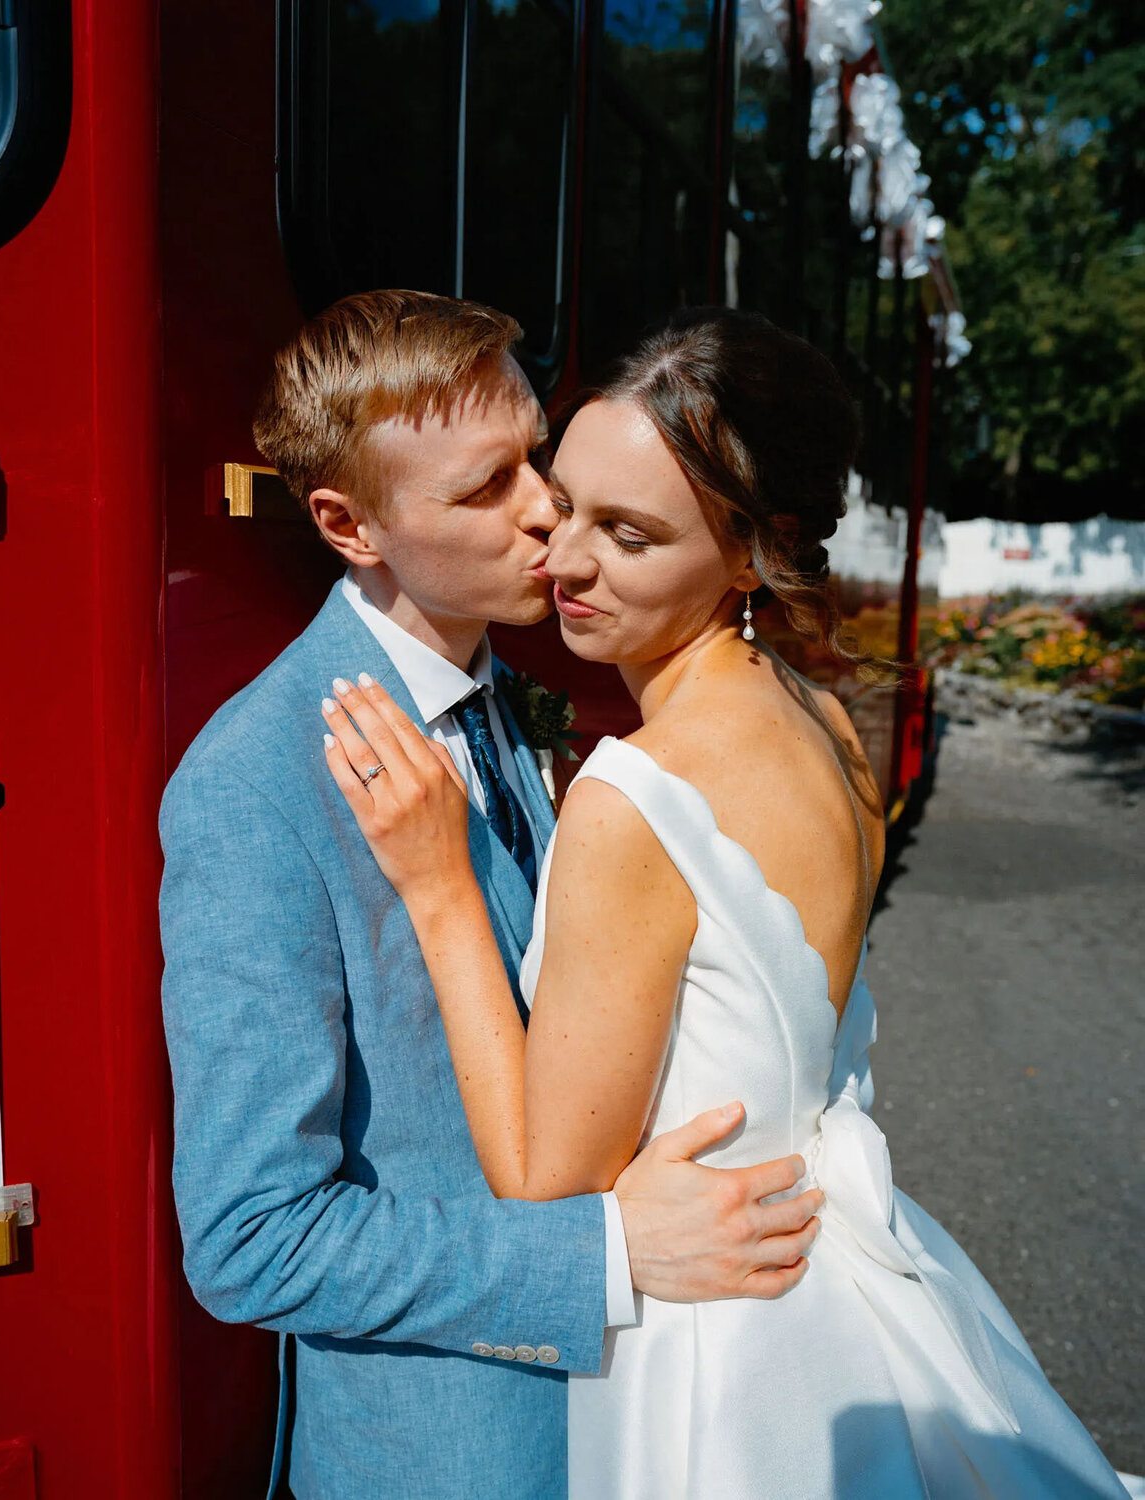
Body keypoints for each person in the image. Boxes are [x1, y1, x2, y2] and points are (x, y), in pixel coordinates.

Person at [321, 306, 1133, 1498]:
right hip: (847, 1285)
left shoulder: (631, 806)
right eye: (568, 501)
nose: (564, 558)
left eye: (632, 535)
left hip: (713, 1346)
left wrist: (444, 891)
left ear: (755, 552)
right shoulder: (823, 724)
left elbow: (547, 1181)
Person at [158, 291, 825, 1500]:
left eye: (536, 456)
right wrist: (608, 1251)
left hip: (648, 1425)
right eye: (484, 489)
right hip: (447, 1458)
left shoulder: (515, 684)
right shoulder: (253, 785)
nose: (545, 518)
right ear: (348, 525)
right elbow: (250, 1244)